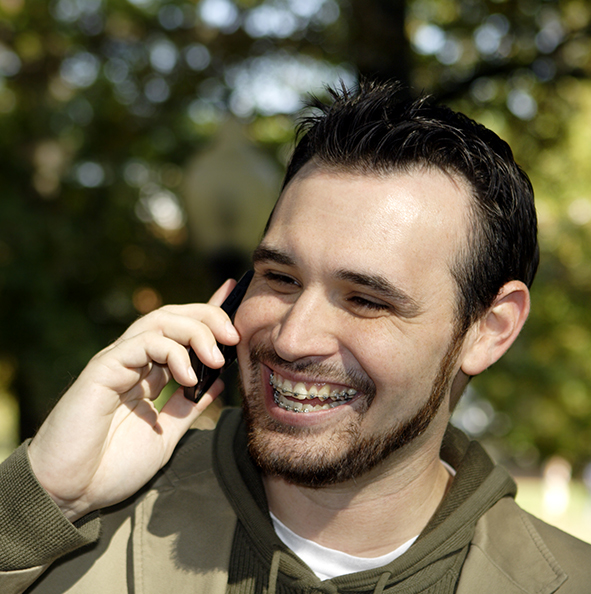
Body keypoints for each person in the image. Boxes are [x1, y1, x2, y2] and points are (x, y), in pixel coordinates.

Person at [1, 80, 590, 594]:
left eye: (366, 300)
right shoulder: (73, 533)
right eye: (280, 278)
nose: (291, 338)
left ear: (490, 329)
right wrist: (42, 501)